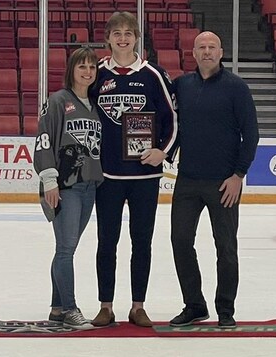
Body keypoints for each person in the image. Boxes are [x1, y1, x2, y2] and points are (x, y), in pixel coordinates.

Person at [89, 11, 178, 328]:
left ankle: (138, 305)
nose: (123, 38)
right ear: (108, 38)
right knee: (106, 242)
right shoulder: (96, 74)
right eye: (117, 33)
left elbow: (173, 120)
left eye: (129, 32)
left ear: (137, 37)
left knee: (142, 241)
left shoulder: (153, 75)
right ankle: (106, 306)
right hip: (108, 175)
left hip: (145, 176)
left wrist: (162, 151)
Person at [169, 31, 259, 329]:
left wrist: (238, 175)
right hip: (188, 181)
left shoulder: (237, 88)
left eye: (212, 47)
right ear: (193, 53)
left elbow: (251, 135)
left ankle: (226, 308)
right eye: (201, 47)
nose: (207, 52)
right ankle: (194, 305)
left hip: (224, 183)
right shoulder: (181, 86)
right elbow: (168, 125)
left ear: (220, 52)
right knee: (181, 241)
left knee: (225, 246)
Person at [33, 47, 103, 330]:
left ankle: (57, 308)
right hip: (65, 186)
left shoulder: (96, 104)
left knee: (66, 248)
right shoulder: (58, 101)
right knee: (66, 248)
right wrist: (49, 180)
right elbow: (44, 139)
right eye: (81, 67)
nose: (87, 72)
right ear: (71, 70)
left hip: (90, 186)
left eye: (92, 67)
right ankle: (71, 308)